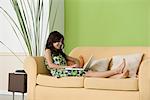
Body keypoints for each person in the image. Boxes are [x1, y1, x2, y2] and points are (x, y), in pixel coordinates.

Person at [44, 31, 129, 78]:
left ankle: (119, 75)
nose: (60, 44)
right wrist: (68, 67)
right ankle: (117, 71)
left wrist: (76, 65)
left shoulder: (60, 52)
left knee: (90, 72)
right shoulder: (48, 51)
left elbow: (75, 60)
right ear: (52, 41)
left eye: (61, 42)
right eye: (57, 41)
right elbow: (51, 65)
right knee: (89, 73)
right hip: (59, 74)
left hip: (66, 71)